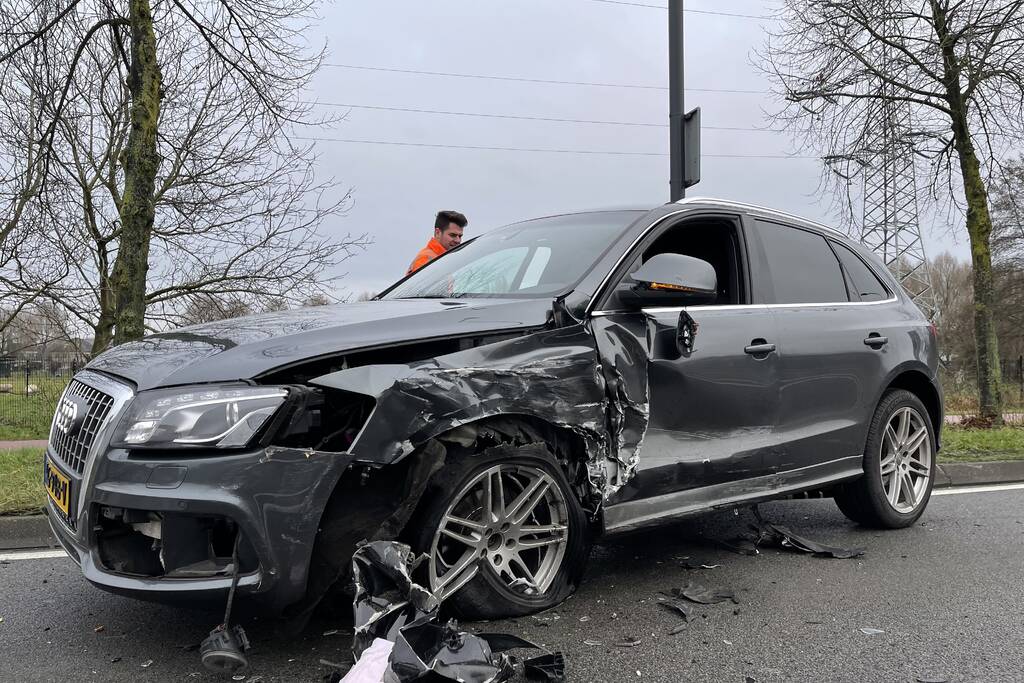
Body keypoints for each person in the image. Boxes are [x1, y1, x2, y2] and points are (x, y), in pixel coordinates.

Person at [407, 210, 467, 275]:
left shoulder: (443, 259)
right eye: (452, 235)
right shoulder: (425, 259)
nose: (458, 240)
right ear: (437, 233)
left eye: (460, 236)